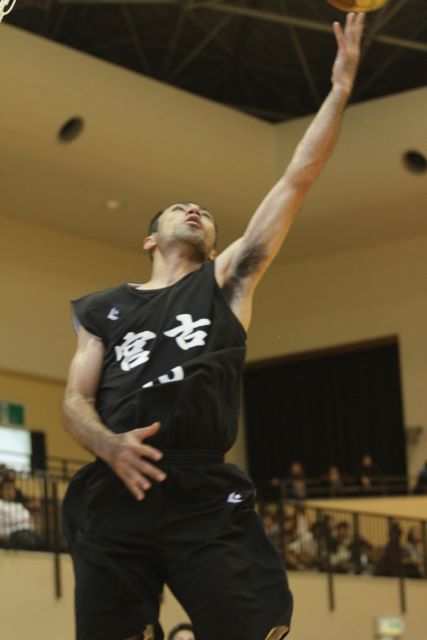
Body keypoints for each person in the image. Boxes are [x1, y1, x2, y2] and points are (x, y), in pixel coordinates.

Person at [61, 13, 365, 640]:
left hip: (200, 481)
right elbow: (73, 401)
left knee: (254, 627)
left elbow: (297, 178)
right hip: (117, 481)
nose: (195, 208)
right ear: (150, 239)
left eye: (204, 211)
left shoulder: (226, 283)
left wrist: (338, 89)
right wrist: (108, 446)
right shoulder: (103, 308)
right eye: (180, 207)